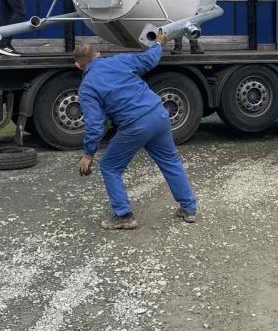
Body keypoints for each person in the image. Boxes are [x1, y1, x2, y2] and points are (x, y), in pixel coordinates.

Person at [75, 34, 197, 230]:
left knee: (109, 166)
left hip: (136, 125)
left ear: (79, 66)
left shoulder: (87, 87)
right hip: (159, 114)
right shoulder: (118, 60)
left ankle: (124, 215)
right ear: (98, 54)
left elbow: (95, 124)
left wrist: (88, 154)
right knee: (170, 161)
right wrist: (158, 43)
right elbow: (148, 59)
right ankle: (189, 208)